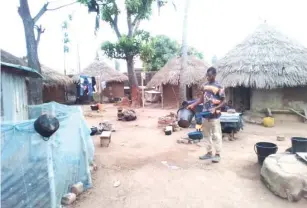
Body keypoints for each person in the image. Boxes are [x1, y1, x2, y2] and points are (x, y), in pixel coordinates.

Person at [187, 67, 225, 163]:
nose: (208, 77)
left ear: (214, 75)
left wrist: (215, 108)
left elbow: (224, 101)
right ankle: (208, 153)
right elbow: (201, 99)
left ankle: (217, 154)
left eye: (210, 75)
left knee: (216, 135)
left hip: (215, 116)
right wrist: (193, 104)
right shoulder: (204, 86)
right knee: (206, 135)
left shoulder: (219, 86)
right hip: (205, 115)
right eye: (207, 75)